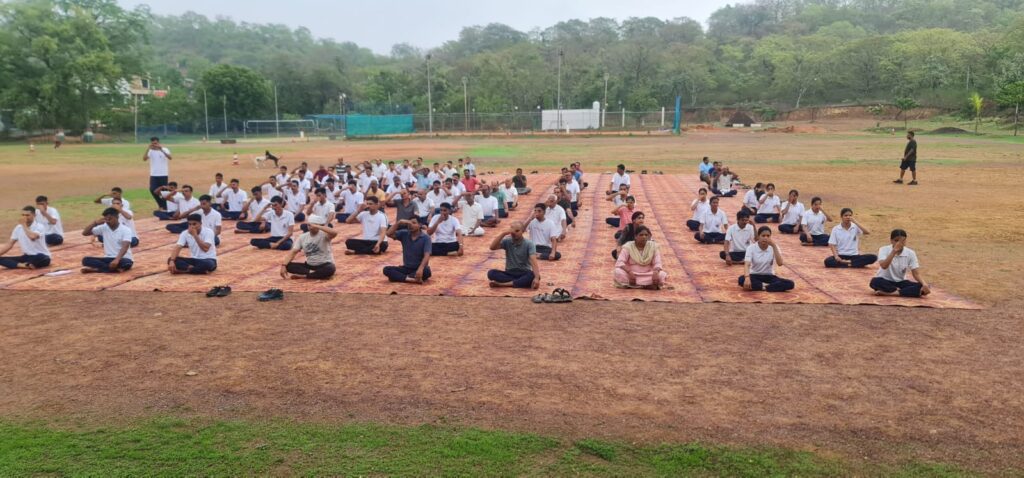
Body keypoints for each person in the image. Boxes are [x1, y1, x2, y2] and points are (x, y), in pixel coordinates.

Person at [870, 229, 930, 297]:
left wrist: (924, 284)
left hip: (901, 282)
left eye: (902, 241)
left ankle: (892, 293)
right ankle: (903, 291)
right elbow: (884, 266)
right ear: (891, 241)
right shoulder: (884, 249)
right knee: (875, 282)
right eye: (896, 240)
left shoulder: (910, 253)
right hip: (885, 281)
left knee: (923, 287)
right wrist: (894, 251)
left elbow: (916, 273)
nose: (899, 243)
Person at [280, 215, 337, 280]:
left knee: (330, 268)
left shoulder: (324, 235)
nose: (311, 227)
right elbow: (293, 252)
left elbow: (334, 233)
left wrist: (317, 226)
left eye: (314, 225)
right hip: (309, 266)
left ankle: (305, 276)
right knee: (289, 266)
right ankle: (315, 274)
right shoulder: (302, 237)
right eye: (309, 225)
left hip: (324, 264)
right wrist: (283, 265)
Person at [739, 226, 794, 292]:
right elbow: (747, 264)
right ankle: (769, 287)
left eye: (768, 236)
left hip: (769, 276)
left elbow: (780, 263)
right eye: (763, 236)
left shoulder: (774, 247)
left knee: (790, 284)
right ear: (758, 236)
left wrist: (774, 246)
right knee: (741, 279)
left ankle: (762, 286)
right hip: (755, 275)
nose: (765, 238)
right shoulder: (751, 248)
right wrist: (747, 278)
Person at [487, 222, 540, 289]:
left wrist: (536, 278)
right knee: (491, 273)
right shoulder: (507, 241)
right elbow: (492, 247)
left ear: (523, 231)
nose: (514, 233)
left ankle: (502, 284)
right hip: (509, 273)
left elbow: (533, 261)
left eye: (517, 231)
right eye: (513, 231)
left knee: (533, 275)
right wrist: (503, 234)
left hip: (524, 272)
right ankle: (518, 282)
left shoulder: (529, 244)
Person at [81, 208, 133, 273]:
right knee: (85, 260)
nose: (108, 221)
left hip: (122, 258)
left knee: (126, 263)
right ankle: (113, 269)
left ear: (117, 217)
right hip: (108, 258)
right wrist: (95, 223)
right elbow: (85, 233)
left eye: (110, 219)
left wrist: (117, 260)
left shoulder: (125, 230)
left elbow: (125, 247)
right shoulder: (104, 227)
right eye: (106, 219)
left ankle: (97, 269)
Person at [614, 226, 667, 290]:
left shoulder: (653, 246)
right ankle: (645, 286)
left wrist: (655, 272)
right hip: (632, 274)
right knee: (618, 272)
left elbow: (657, 262)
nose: (644, 237)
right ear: (635, 236)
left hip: (648, 274)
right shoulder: (628, 246)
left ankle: (634, 286)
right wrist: (629, 272)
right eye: (641, 235)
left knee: (662, 274)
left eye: (646, 235)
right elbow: (620, 262)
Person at [383, 219, 432, 283]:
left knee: (427, 271)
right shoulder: (404, 233)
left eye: (414, 223)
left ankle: (401, 277)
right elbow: (388, 234)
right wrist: (399, 223)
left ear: (420, 225)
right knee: (386, 269)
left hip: (419, 267)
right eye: (409, 223)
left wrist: (420, 269)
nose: (411, 225)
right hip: (406, 268)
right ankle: (409, 279)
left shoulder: (426, 238)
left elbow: (427, 255)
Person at [143, 137, 172, 210]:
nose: (154, 145)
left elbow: (170, 157)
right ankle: (161, 204)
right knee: (152, 189)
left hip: (163, 174)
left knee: (164, 191)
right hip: (154, 174)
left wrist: (161, 149)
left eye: (156, 143)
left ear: (159, 142)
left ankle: (165, 206)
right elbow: (144, 159)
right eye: (153, 143)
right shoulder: (150, 151)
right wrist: (148, 149)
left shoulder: (165, 149)